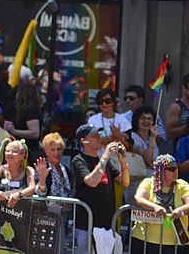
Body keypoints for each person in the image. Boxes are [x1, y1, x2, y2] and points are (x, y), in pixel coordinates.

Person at [72, 123, 130, 253]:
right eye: (94, 135)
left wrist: (123, 161)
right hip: (86, 224)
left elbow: (124, 182)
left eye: (99, 134)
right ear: (83, 141)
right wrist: (105, 156)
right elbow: (91, 181)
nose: (99, 137)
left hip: (106, 225)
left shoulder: (104, 161)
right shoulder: (78, 160)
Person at [131, 154, 189, 253]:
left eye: (177, 168)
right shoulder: (148, 183)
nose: (175, 171)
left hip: (175, 241)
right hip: (145, 239)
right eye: (171, 168)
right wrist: (154, 207)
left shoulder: (182, 185)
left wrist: (180, 210)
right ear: (160, 170)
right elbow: (138, 198)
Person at [0, 138, 36, 208]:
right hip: (1, 212)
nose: (9, 154)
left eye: (14, 151)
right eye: (7, 151)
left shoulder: (28, 170)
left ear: (22, 155)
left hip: (22, 213)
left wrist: (18, 195)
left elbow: (32, 188)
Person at [126, 105, 161, 204]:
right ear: (136, 120)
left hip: (152, 183)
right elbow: (146, 160)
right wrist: (153, 138)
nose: (146, 121)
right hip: (137, 184)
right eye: (142, 118)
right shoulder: (133, 137)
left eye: (149, 118)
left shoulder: (150, 138)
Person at [6, 82, 44, 159]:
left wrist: (14, 131)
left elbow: (35, 133)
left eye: (18, 92)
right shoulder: (20, 110)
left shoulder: (31, 110)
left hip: (28, 151)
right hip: (19, 151)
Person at [34, 132, 72, 197]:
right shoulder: (43, 167)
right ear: (46, 152)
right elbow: (39, 193)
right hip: (47, 206)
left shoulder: (65, 169)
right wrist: (42, 179)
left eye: (59, 149)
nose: (56, 153)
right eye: (52, 150)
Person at [166, 73, 189, 150]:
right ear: (184, 88)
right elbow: (169, 134)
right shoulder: (176, 107)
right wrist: (187, 127)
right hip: (182, 154)